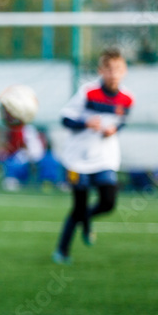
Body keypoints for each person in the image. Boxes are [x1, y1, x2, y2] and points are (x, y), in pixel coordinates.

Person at [53, 48, 133, 264]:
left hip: (105, 158)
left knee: (108, 202)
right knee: (78, 207)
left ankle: (86, 221)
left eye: (117, 69)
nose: (113, 73)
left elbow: (121, 123)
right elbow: (65, 120)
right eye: (108, 69)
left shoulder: (126, 98)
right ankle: (62, 251)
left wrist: (113, 131)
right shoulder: (87, 92)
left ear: (124, 71)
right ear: (100, 71)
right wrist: (85, 123)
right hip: (77, 159)